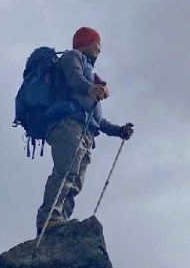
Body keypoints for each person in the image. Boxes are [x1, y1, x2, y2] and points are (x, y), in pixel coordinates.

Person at [35, 26, 134, 235]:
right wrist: (90, 88)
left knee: (75, 181)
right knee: (66, 172)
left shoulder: (91, 74)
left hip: (84, 131)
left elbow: (97, 118)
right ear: (86, 42)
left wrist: (119, 131)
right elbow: (74, 78)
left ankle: (60, 222)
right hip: (67, 124)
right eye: (97, 43)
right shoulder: (74, 57)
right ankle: (49, 219)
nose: (100, 48)